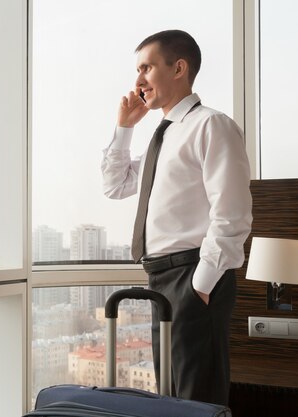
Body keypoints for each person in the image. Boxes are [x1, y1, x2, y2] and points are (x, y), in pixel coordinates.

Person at [101, 29, 252, 406]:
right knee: (169, 398)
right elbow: (115, 185)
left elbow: (231, 214)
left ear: (179, 68)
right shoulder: (164, 136)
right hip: (160, 278)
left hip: (191, 275)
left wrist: (200, 286)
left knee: (195, 399)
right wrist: (124, 129)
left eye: (147, 68)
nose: (137, 81)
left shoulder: (210, 125)